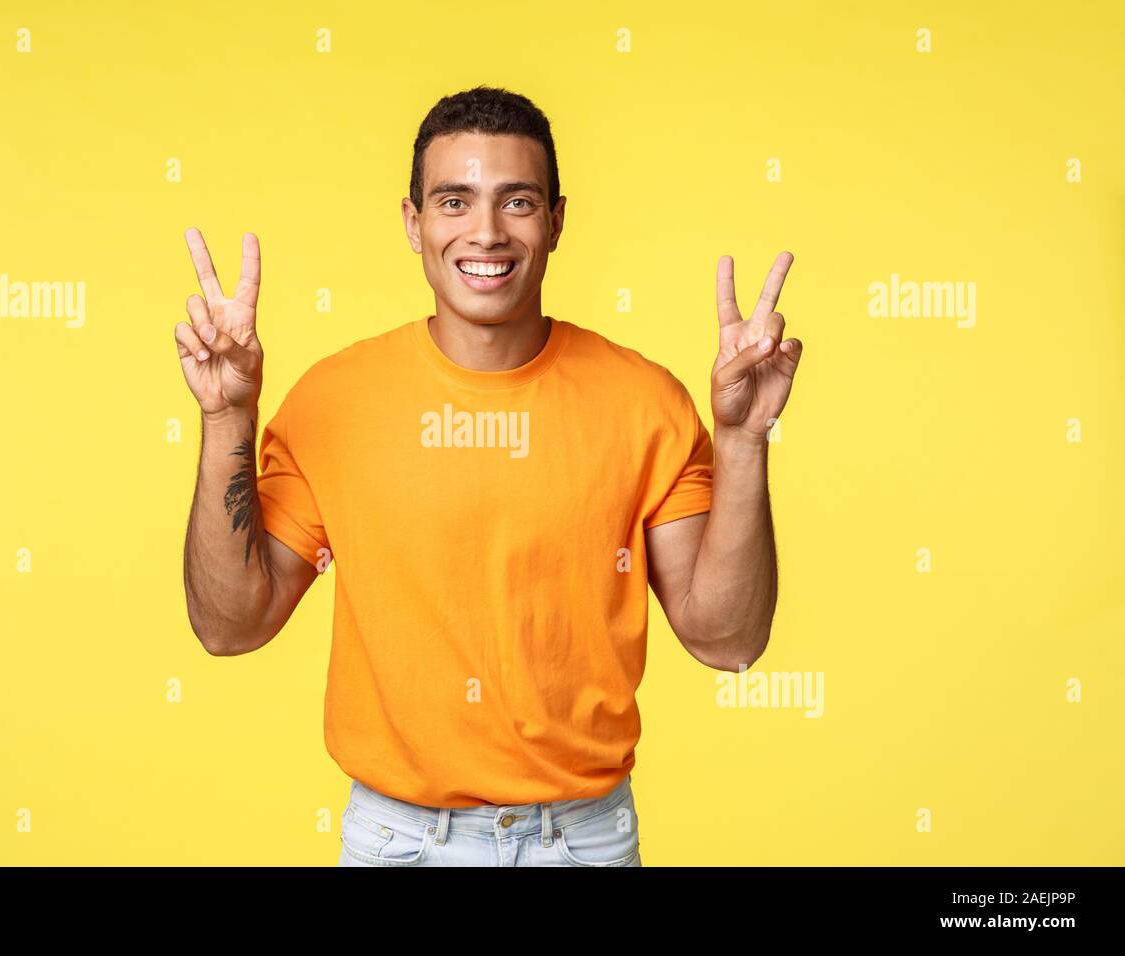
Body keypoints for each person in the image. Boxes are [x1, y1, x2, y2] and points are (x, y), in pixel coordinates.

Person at [174, 86, 804, 866]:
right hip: (396, 843)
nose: (486, 231)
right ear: (414, 223)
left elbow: (728, 639)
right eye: (454, 200)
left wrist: (743, 438)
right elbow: (229, 625)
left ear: (556, 220)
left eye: (517, 201)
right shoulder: (334, 402)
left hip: (585, 843)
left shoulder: (645, 403)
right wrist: (224, 418)